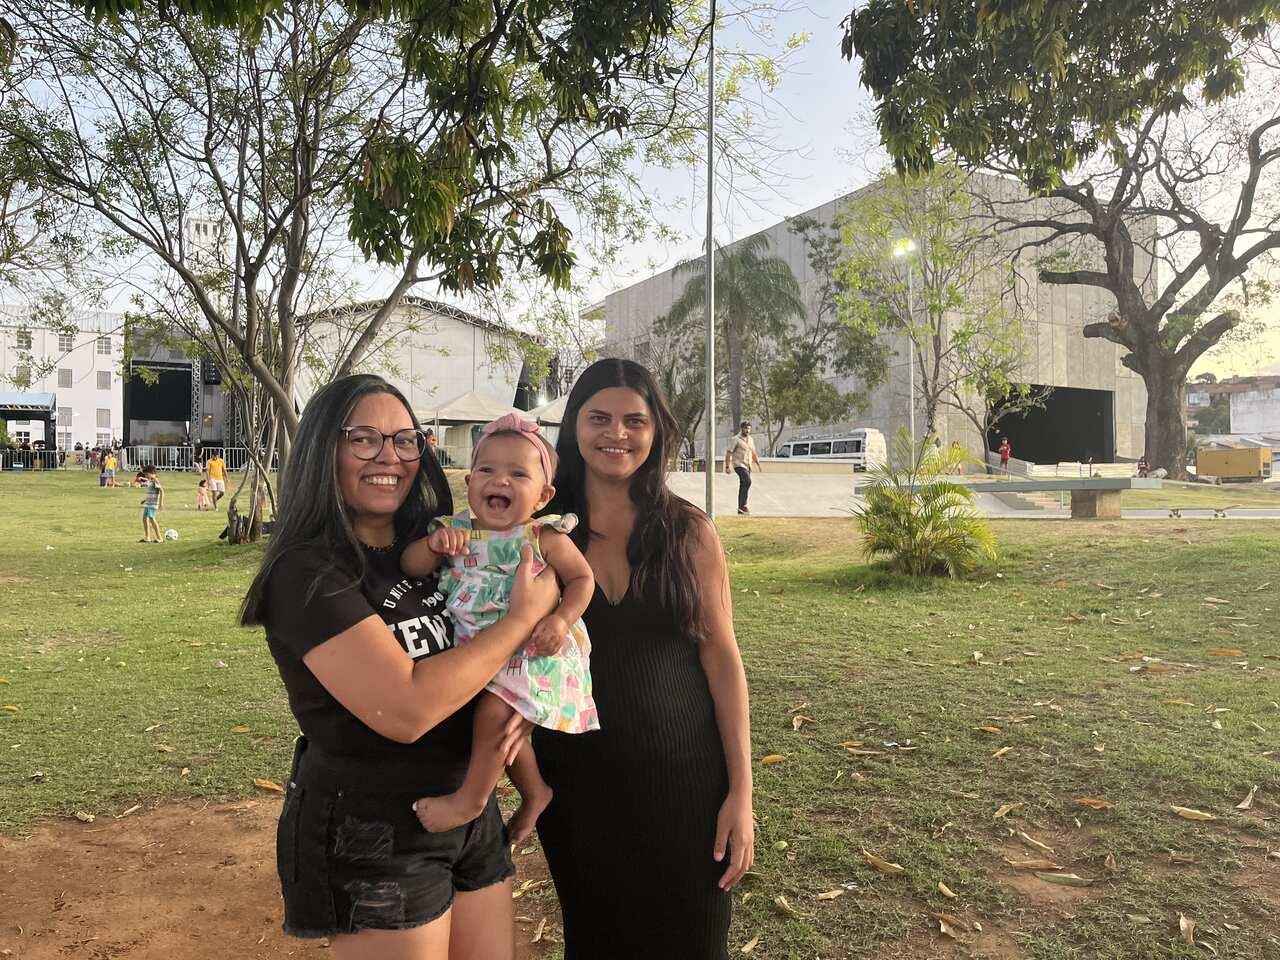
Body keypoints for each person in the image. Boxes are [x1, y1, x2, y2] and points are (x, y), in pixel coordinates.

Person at [240, 374, 559, 957]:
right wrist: (519, 623)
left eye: (404, 439)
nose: (389, 457)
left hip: (467, 805)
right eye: (364, 439)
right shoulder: (309, 572)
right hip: (376, 829)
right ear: (322, 450)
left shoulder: (434, 542)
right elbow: (406, 709)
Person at [534, 358, 754, 959]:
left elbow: (722, 661)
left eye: (635, 420)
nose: (617, 434)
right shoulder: (539, 538)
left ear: (656, 431)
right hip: (577, 790)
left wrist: (741, 793)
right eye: (598, 417)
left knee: (694, 944)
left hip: (686, 786)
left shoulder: (690, 533)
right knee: (596, 942)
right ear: (573, 426)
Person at [401, 413, 597, 845]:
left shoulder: (542, 536)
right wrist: (433, 547)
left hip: (534, 648)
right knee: (496, 722)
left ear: (543, 496)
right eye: (487, 470)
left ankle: (470, 800)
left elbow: (584, 580)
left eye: (517, 473)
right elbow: (409, 566)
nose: (500, 481)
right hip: (481, 650)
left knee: (493, 713)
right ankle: (535, 792)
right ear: (470, 481)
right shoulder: (455, 531)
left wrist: (560, 619)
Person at [723, 420, 762, 515]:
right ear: (742, 429)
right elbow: (729, 452)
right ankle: (743, 505)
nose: (747, 430)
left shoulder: (751, 440)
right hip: (739, 465)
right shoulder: (736, 439)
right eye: (745, 428)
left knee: (744, 485)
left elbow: (753, 452)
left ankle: (741, 508)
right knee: (748, 481)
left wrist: (757, 463)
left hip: (748, 465)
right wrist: (727, 466)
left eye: (749, 428)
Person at [139, 466, 164, 542]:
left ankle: (160, 538)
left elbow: (162, 491)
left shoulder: (155, 481)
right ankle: (147, 537)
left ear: (152, 473)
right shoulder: (151, 481)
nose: (146, 476)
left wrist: (161, 503)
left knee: (152, 519)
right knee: (144, 519)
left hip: (152, 504)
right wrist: (145, 500)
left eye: (147, 474)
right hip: (148, 503)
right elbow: (151, 493)